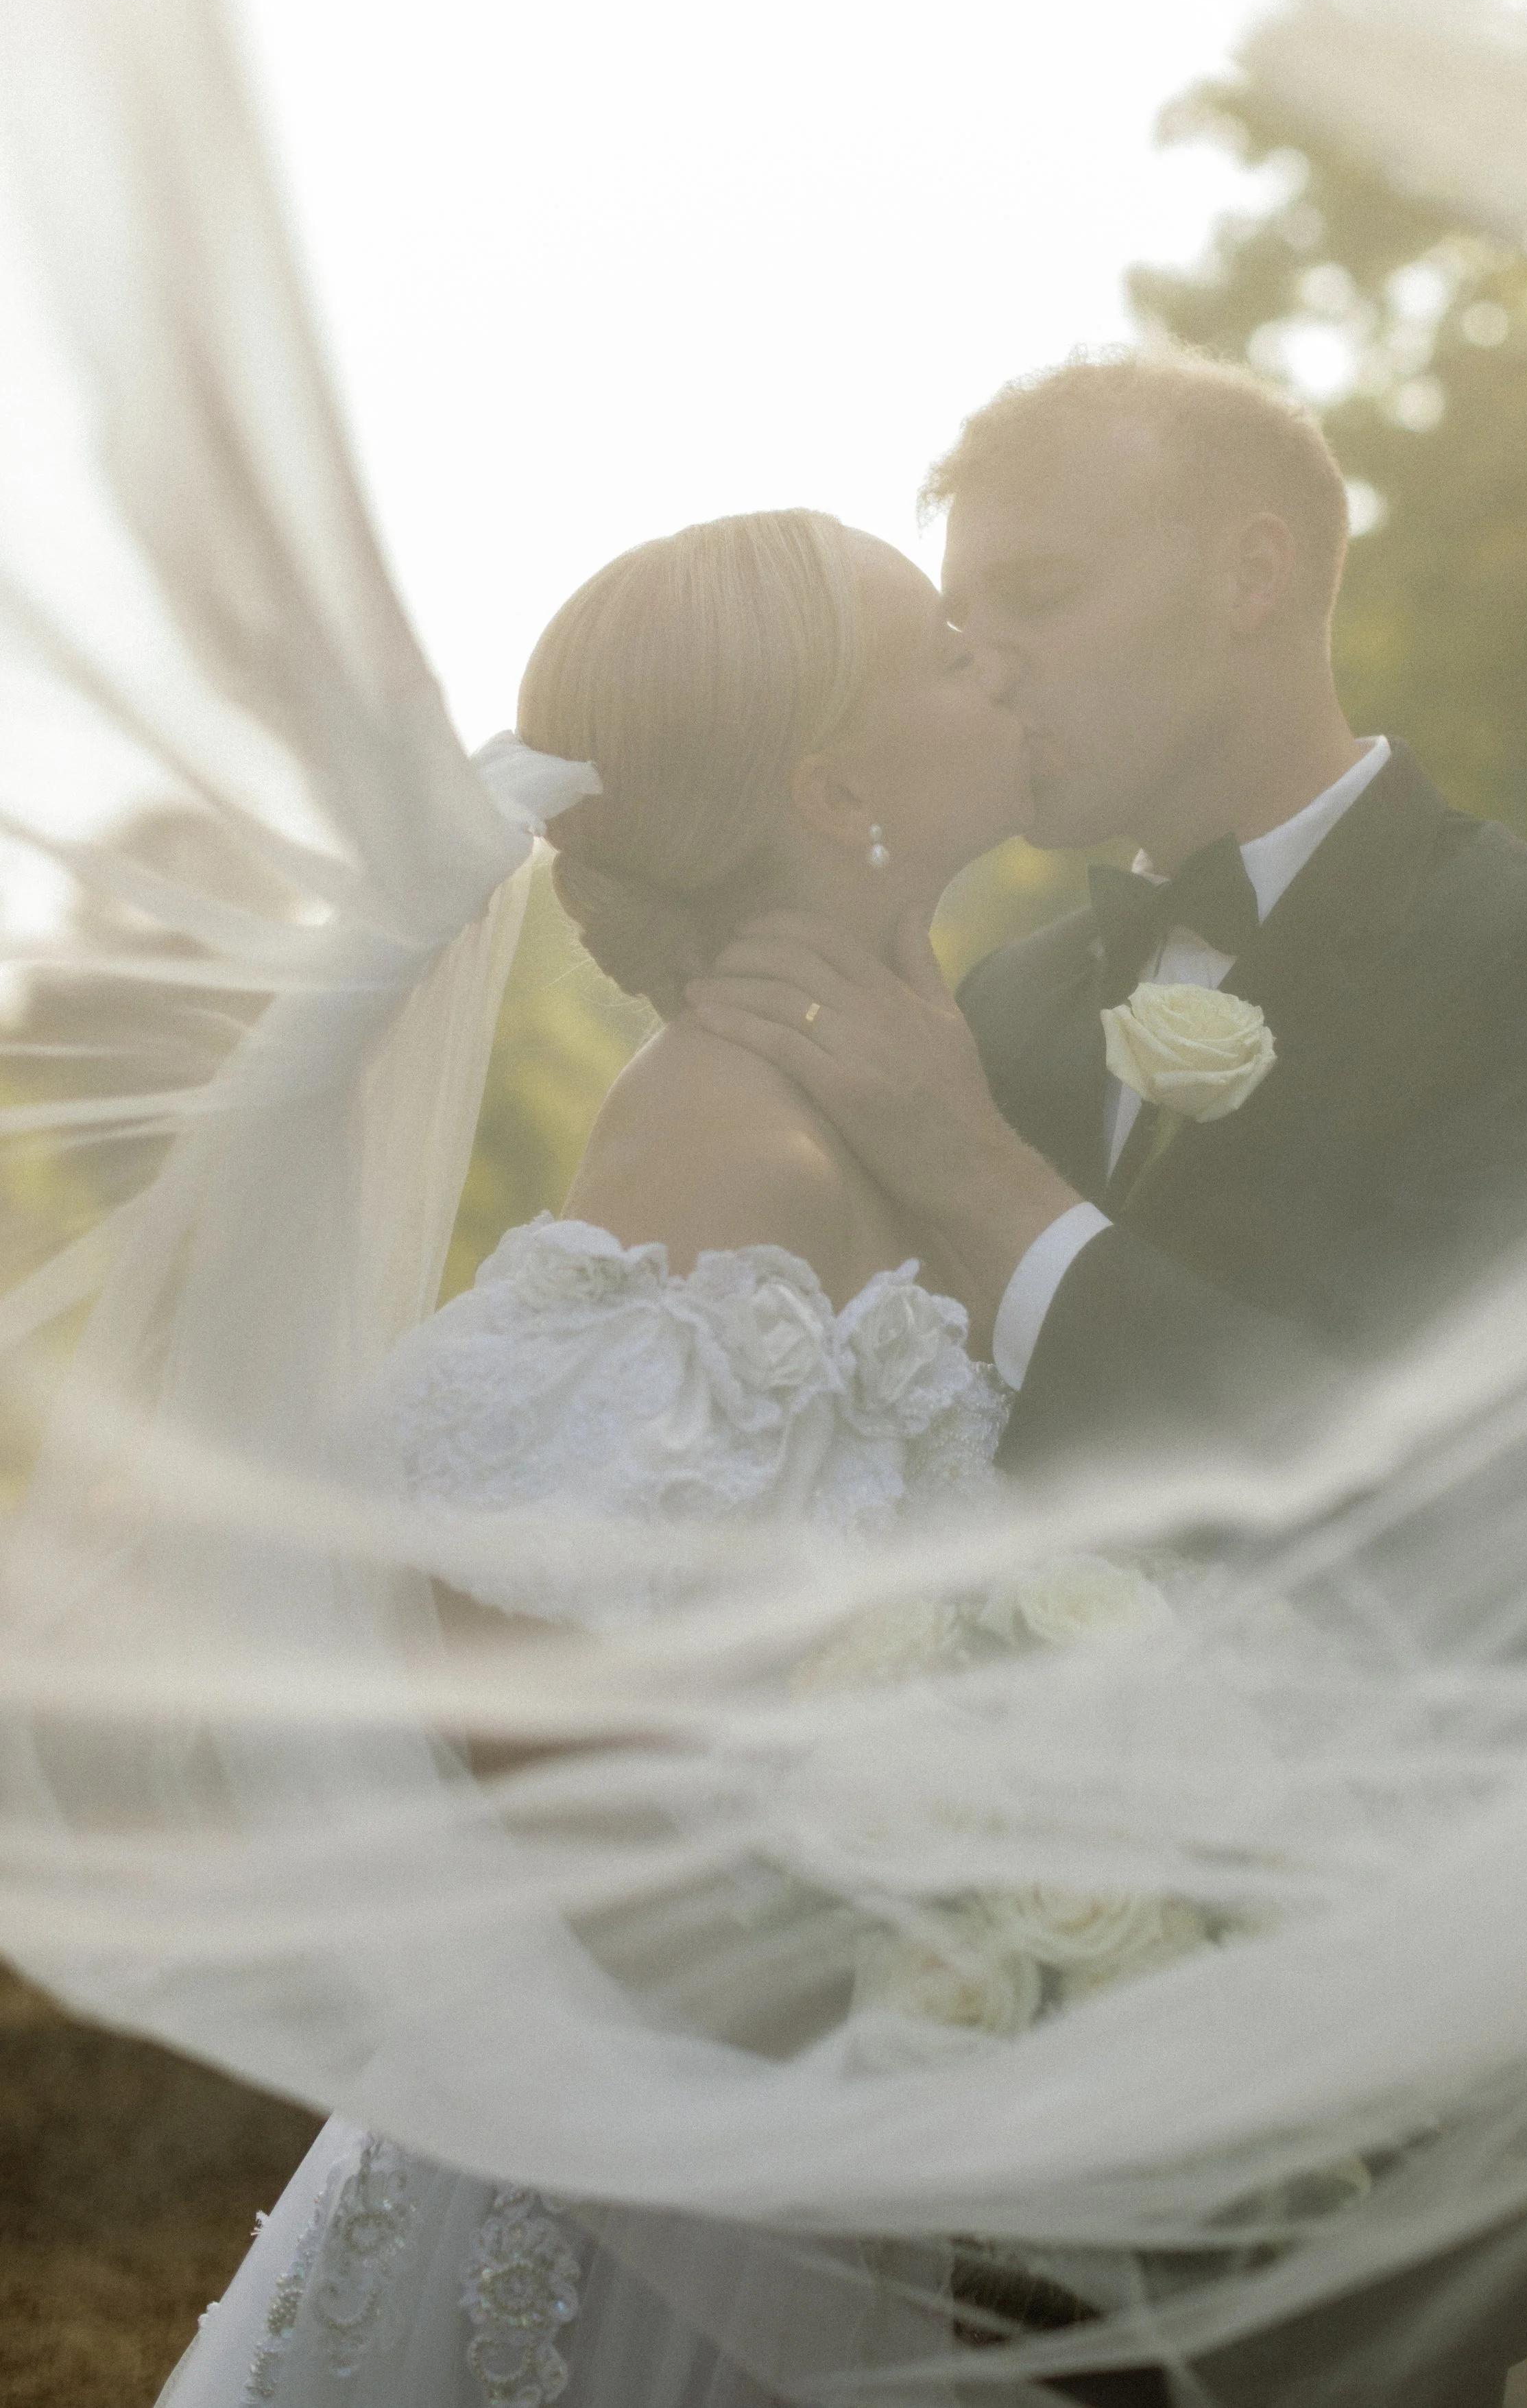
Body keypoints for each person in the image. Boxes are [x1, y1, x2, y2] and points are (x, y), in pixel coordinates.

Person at [688, 350, 1527, 2406]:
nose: (985, 656)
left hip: (1365, 2148)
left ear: (1251, 575)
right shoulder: (999, 989)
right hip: (950, 2091)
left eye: (1039, 595)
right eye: (960, 616)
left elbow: (1460, 1504)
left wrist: (985, 1185)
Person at [153, 506, 1026, 2408]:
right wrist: (819, 2064)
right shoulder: (731, 1135)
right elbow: (504, 1682)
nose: (994, 654)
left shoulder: (908, 1077)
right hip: (667, 2215)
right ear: (830, 784)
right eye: (942, 644)